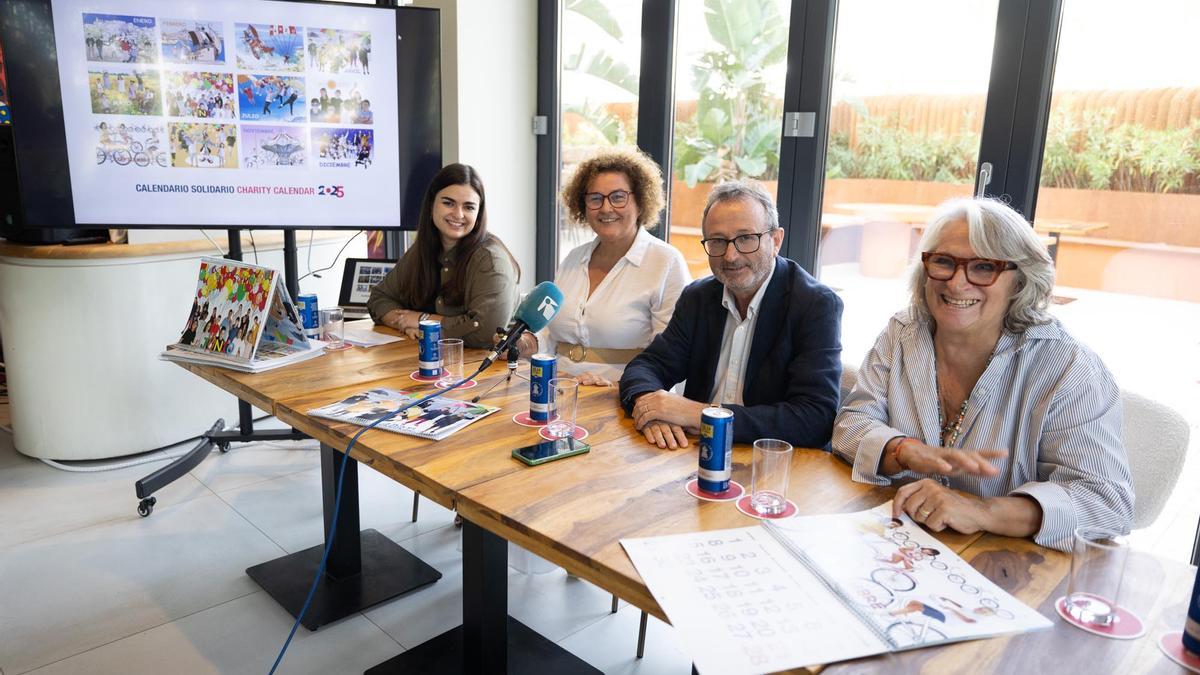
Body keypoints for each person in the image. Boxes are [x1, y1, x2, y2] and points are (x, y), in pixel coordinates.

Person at [832, 197, 1133, 552]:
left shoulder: (1069, 368)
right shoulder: (903, 332)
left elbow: (1107, 501)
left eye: (983, 267)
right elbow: (851, 423)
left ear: (1019, 282)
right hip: (898, 544)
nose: (958, 283)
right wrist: (905, 450)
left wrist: (982, 511)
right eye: (943, 262)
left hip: (1008, 566)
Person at [619, 180, 844, 449]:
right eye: (717, 241)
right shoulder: (698, 298)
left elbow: (815, 419)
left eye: (746, 238)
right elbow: (646, 366)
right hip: (694, 454)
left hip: (772, 466)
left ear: (775, 240)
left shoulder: (814, 305)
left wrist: (699, 414)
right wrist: (652, 409)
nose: (731, 255)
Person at [514, 148, 690, 386]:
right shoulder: (573, 259)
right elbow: (550, 333)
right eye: (595, 198)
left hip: (623, 400)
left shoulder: (666, 263)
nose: (606, 208)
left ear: (641, 201)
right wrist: (525, 342)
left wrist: (619, 388)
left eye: (618, 197)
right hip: (559, 389)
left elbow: (671, 357)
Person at [367, 163, 519, 349]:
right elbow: (379, 298)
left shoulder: (491, 261)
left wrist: (423, 321)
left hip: (485, 370)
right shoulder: (423, 250)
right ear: (431, 205)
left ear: (478, 214)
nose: (458, 214)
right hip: (433, 361)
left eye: (469, 207)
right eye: (448, 203)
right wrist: (404, 323)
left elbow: (485, 333)